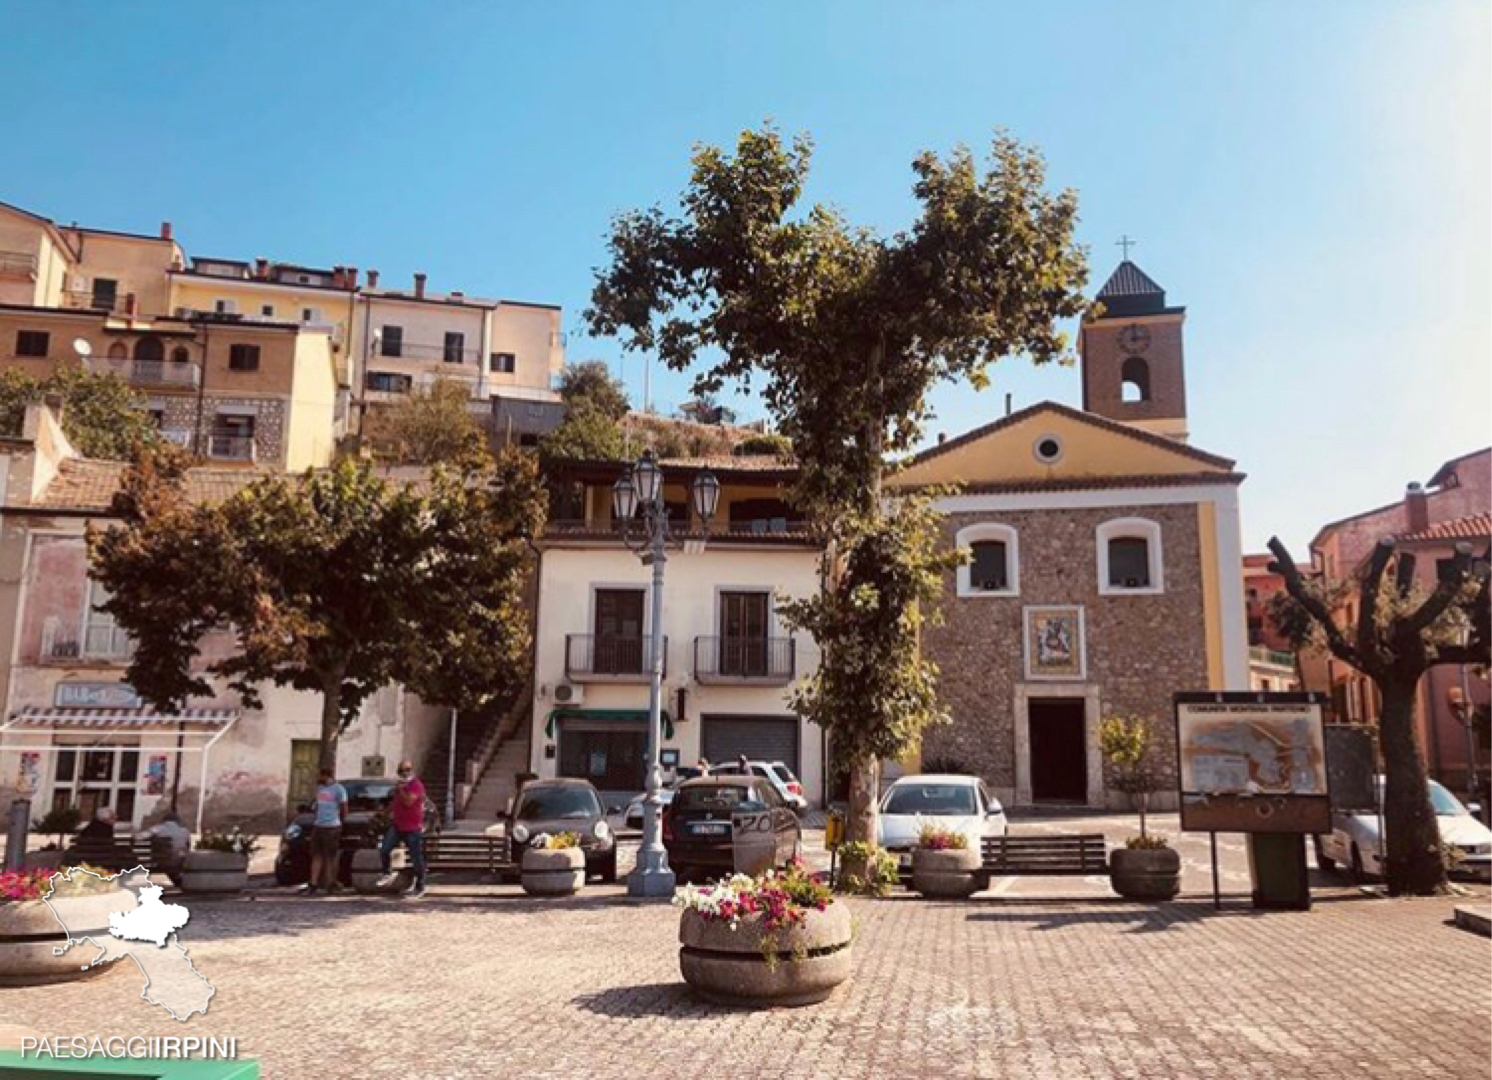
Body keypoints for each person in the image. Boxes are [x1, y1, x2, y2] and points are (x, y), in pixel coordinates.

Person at [377, 760, 427, 898]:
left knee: (416, 857)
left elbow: (409, 802)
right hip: (398, 825)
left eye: (408, 769)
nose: (405, 773)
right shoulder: (399, 787)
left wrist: (401, 789)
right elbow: (395, 804)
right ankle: (386, 872)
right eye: (402, 770)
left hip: (412, 826)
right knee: (385, 849)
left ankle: (420, 885)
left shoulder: (415, 785)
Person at [304, 767, 347, 896]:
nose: (317, 779)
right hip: (319, 825)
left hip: (332, 826)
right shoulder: (320, 789)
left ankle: (330, 883)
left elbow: (344, 807)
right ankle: (313, 883)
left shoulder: (339, 789)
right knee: (316, 855)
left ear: (326, 776)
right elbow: (317, 805)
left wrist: (340, 821)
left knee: (330, 856)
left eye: (319, 776)